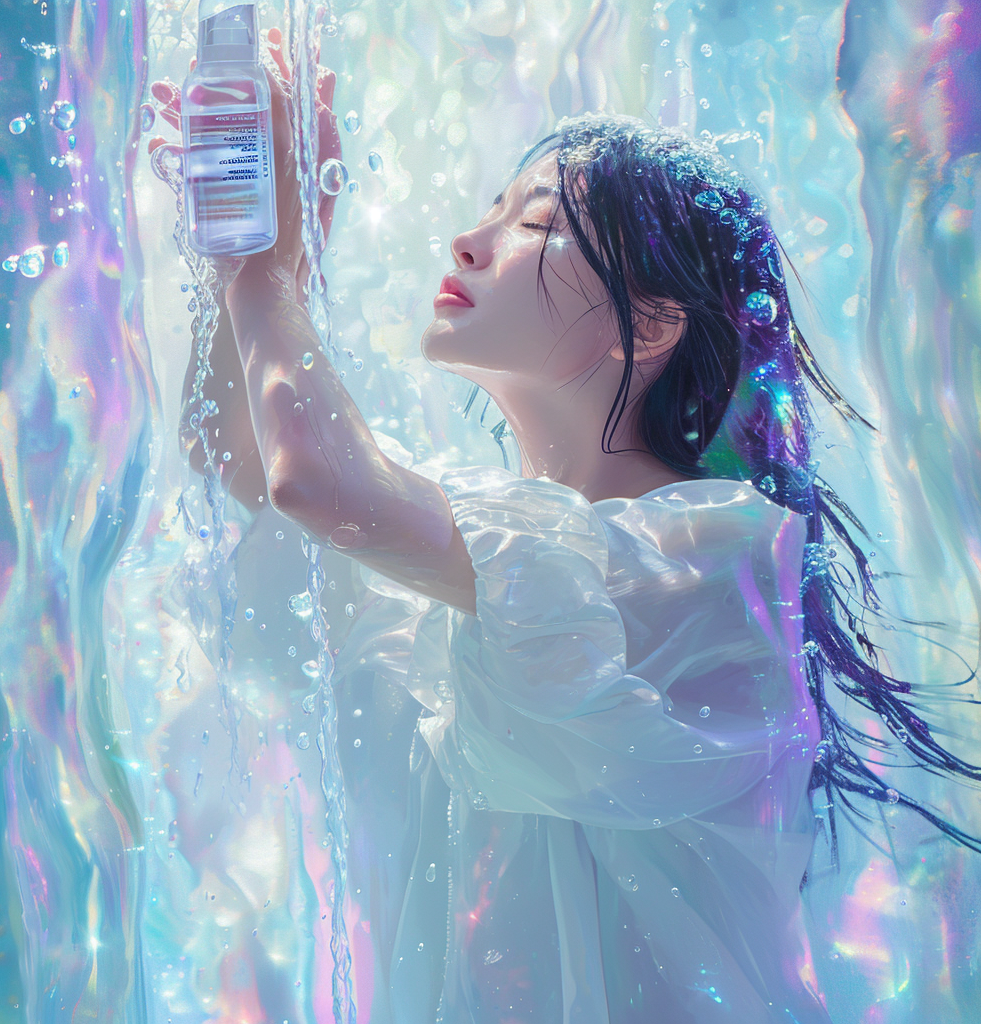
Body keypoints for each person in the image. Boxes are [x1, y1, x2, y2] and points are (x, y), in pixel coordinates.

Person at [149, 27, 981, 1024]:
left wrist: (268, 273)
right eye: (491, 210)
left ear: (658, 318)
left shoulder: (717, 567)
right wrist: (254, 258)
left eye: (534, 224)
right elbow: (247, 471)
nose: (468, 239)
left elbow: (313, 482)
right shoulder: (474, 595)